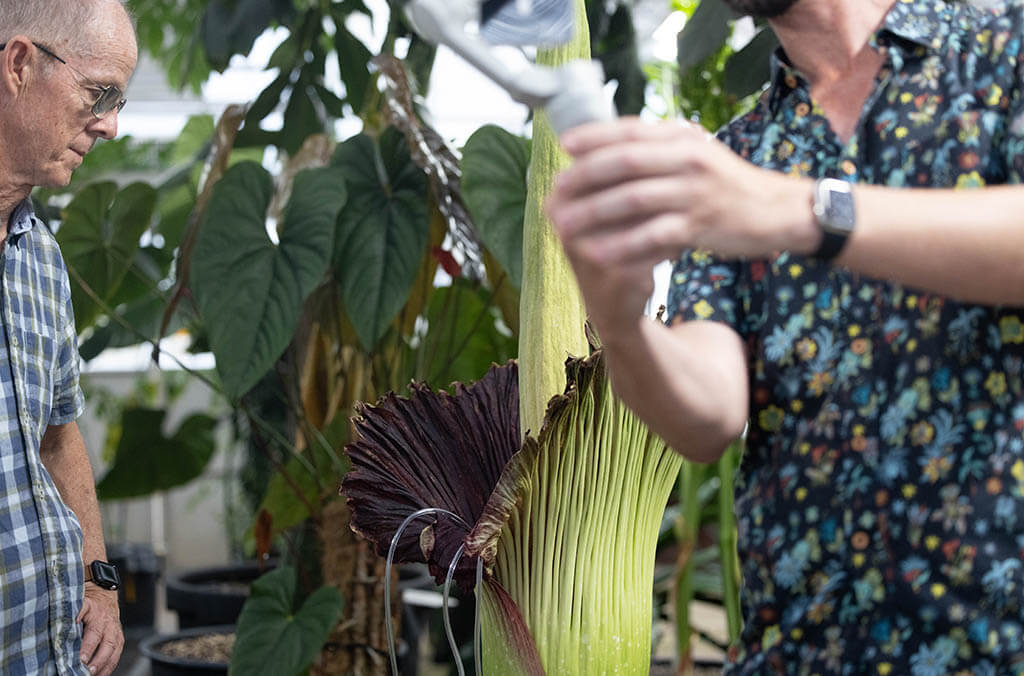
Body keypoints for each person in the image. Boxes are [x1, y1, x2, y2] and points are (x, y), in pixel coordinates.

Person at [548, 0, 1024, 672]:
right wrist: (621, 323)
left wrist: (800, 211)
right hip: (801, 651)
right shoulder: (740, 155)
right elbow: (708, 417)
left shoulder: (1005, 48)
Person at [0, 1, 137, 674]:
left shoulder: (40, 257)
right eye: (99, 93)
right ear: (19, 64)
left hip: (51, 652)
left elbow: (59, 434)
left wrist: (99, 584)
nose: (110, 124)